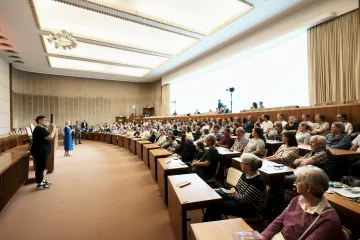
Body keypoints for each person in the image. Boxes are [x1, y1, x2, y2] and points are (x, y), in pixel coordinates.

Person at [261, 166, 342, 240]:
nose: (295, 182)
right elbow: (279, 221)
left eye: (298, 180)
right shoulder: (297, 200)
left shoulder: (329, 220)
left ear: (309, 188)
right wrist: (263, 237)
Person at [203, 153, 266, 221]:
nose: (240, 164)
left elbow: (244, 200)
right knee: (214, 195)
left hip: (250, 209)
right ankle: (211, 224)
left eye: (242, 163)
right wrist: (234, 189)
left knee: (216, 205)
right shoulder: (245, 173)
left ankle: (209, 226)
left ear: (249, 166)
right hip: (238, 199)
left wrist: (234, 193)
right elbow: (237, 187)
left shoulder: (258, 181)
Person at [30, 116, 56, 190]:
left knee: (42, 166)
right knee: (40, 167)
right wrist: (54, 129)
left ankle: (41, 180)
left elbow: (47, 136)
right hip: (40, 151)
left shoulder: (41, 129)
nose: (47, 122)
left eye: (47, 121)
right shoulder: (39, 129)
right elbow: (50, 137)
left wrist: (51, 130)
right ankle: (39, 183)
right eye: (45, 120)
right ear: (40, 121)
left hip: (41, 150)